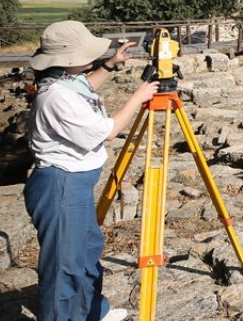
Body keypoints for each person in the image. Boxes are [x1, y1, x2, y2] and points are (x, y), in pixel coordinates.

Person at [24, 21, 159, 321]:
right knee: (64, 266)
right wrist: (138, 97)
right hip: (60, 186)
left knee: (86, 252)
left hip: (75, 185)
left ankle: (91, 312)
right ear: (69, 59)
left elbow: (87, 88)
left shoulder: (66, 80)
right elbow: (106, 131)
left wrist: (110, 65)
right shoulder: (56, 96)